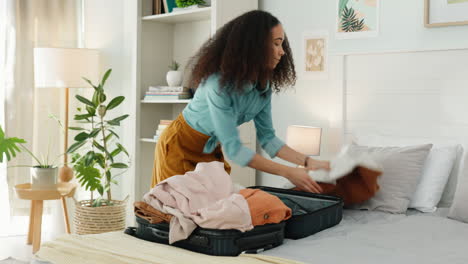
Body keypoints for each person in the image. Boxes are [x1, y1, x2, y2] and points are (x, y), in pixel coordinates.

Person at [151, 10, 330, 193]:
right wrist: (288, 172)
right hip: (180, 144)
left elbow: (268, 139)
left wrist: (310, 162)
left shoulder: (263, 87)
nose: (282, 52)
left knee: (213, 210)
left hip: (211, 147)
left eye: (282, 44)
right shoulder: (217, 85)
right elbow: (235, 150)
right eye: (276, 44)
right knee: (175, 207)